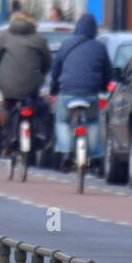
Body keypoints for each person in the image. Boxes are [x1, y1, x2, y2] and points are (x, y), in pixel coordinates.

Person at [49, 12, 112, 170]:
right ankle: (96, 156)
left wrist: (53, 88)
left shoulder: (66, 45)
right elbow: (108, 72)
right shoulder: (100, 47)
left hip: (68, 92)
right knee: (93, 121)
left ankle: (66, 152)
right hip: (90, 93)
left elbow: (55, 70)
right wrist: (103, 87)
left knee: (62, 121)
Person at [0, 11, 53, 156]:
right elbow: (47, 62)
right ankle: (39, 136)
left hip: (8, 85)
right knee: (39, 108)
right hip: (32, 85)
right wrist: (41, 75)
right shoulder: (39, 39)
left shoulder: (4, 37)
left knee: (9, 109)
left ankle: (7, 142)